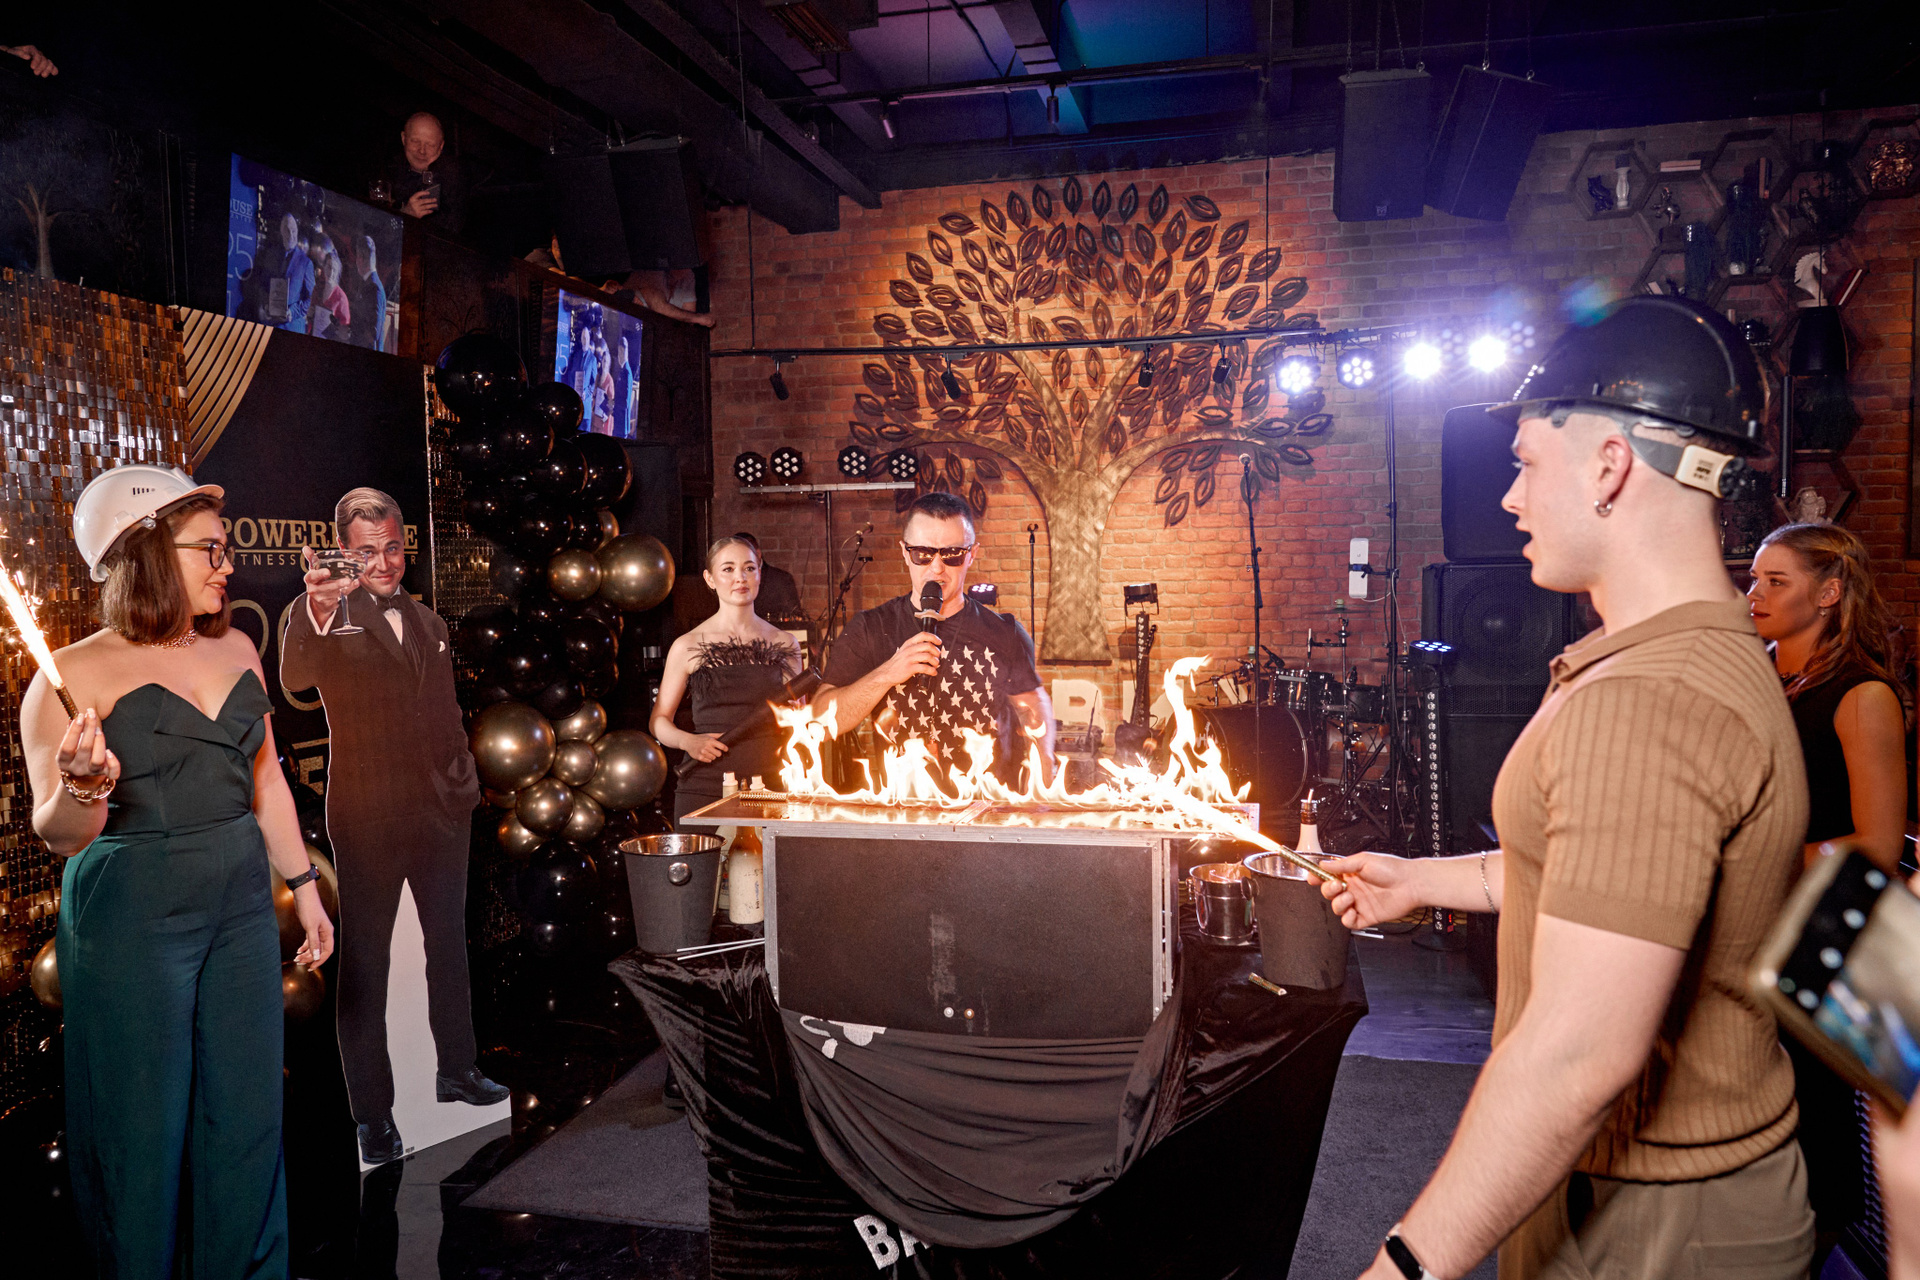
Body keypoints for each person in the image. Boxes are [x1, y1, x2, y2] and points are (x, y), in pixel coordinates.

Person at [1324, 297, 1813, 1279]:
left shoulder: (1645, 699)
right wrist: (1423, 880)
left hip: (1654, 1225)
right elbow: (1617, 881)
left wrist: (1400, 1268)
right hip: (1671, 1200)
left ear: (1609, 466)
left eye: (1526, 463)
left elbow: (1576, 1055)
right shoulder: (1701, 651)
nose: (1510, 498)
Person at [22, 464, 333, 1278]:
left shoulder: (236, 647)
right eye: (211, 550)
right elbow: (60, 835)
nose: (227, 566)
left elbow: (266, 781)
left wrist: (305, 890)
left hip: (239, 900)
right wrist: (84, 786)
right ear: (150, 554)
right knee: (140, 1124)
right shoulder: (66, 675)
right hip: (132, 909)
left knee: (248, 1109)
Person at [281, 487, 506, 1166]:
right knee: (365, 964)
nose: (383, 563)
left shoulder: (429, 620)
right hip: (368, 813)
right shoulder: (323, 612)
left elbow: (443, 712)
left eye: (393, 548)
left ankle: (457, 1069)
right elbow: (295, 676)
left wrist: (464, 783)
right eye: (367, 551)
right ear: (343, 553)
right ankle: (372, 1114)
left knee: (449, 945)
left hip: (442, 810)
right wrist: (319, 609)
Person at [1746, 519, 1908, 1267]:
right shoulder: (1762, 678)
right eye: (1754, 578)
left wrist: (1763, 856)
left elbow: (1877, 844)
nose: (1755, 593)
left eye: (1776, 581)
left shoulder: (1861, 693)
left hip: (1823, 926)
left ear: (1830, 593)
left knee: (1817, 1119)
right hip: (1758, 913)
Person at [813, 491, 1055, 788]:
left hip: (987, 805)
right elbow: (820, 722)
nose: (937, 567)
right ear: (905, 553)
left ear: (971, 554)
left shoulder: (1005, 632)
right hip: (906, 805)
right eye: (923, 553)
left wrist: (1046, 779)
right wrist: (887, 674)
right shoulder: (871, 628)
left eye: (952, 554)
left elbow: (1033, 709)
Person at [652, 536, 803, 824]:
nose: (740, 578)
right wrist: (688, 741)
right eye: (728, 569)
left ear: (759, 573)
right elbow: (659, 720)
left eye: (749, 568)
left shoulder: (785, 643)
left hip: (770, 782)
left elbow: (800, 717)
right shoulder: (688, 645)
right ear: (710, 579)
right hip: (704, 784)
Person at [385, 111, 465, 236]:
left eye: (430, 145)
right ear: (404, 139)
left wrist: (407, 220)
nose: (422, 151)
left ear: (441, 146)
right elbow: (374, 225)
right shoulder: (388, 168)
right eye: (415, 141)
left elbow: (448, 235)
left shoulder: (453, 178)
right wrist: (405, 214)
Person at [276, 211, 315, 333]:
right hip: (271, 325)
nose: (291, 235)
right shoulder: (273, 256)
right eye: (287, 230)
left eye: (293, 230)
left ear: (297, 231)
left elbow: (311, 298)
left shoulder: (306, 263)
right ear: (281, 231)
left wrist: (293, 312)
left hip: (293, 328)